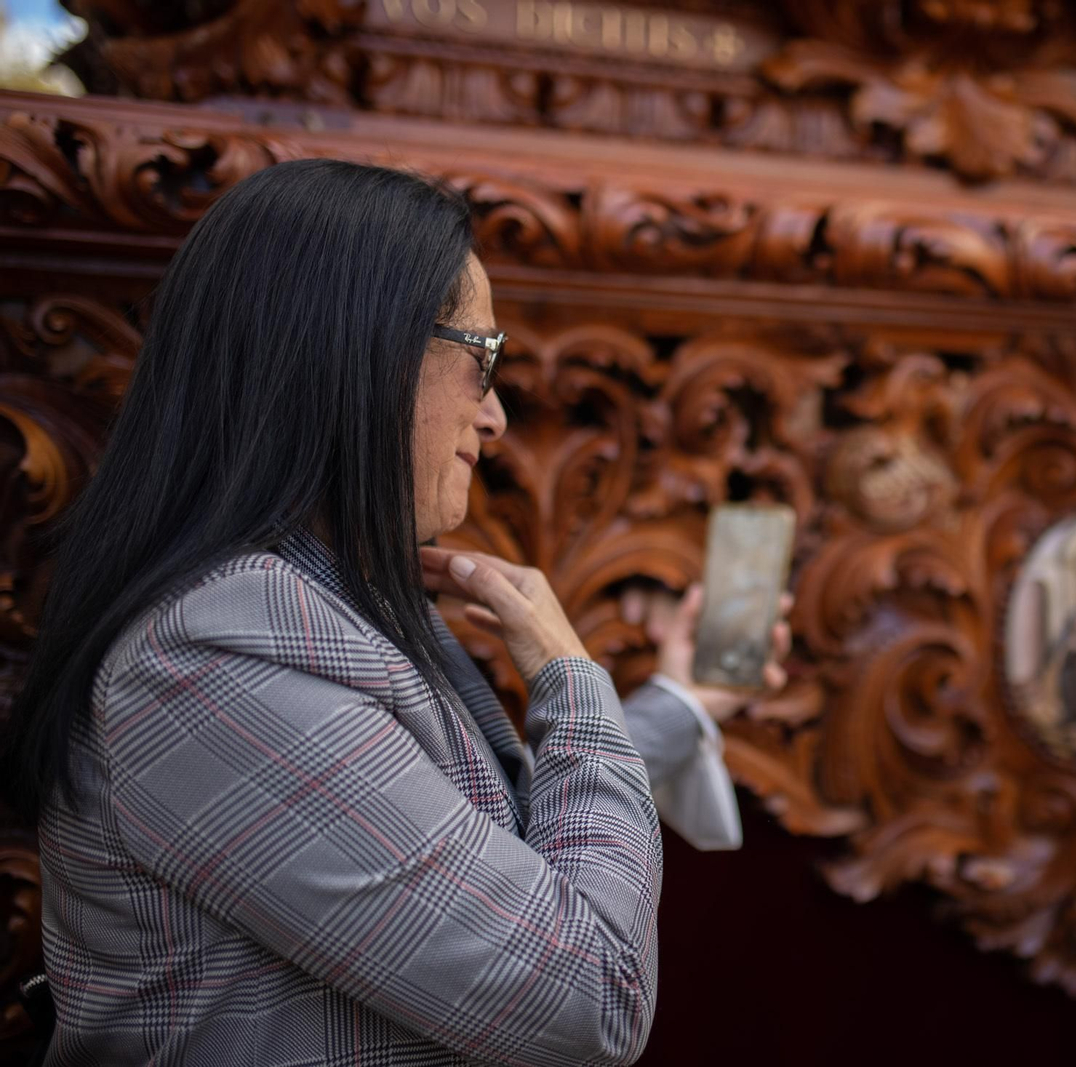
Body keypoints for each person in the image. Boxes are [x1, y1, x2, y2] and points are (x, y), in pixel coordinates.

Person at [0, 159, 787, 1066]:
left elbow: (489, 848)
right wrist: (573, 680)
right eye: (481, 357)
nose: (494, 417)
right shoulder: (213, 653)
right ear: (356, 350)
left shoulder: (304, 600)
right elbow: (588, 994)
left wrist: (684, 699)